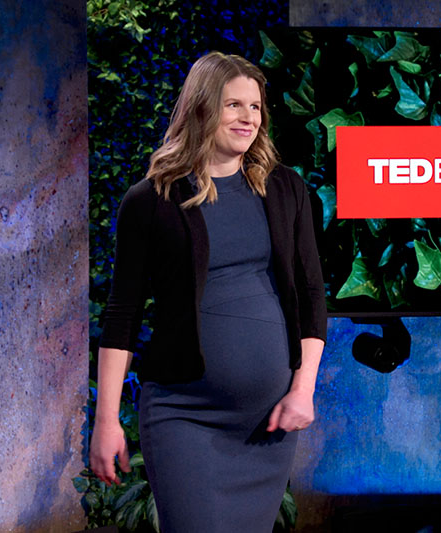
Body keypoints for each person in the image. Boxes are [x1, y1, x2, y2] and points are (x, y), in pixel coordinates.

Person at [89, 51, 327, 532]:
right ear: (201, 108)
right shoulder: (151, 199)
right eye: (233, 105)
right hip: (184, 416)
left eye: (256, 107)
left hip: (267, 422)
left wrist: (303, 390)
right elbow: (123, 315)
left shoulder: (285, 189)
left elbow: (311, 294)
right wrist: (106, 419)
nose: (248, 118)